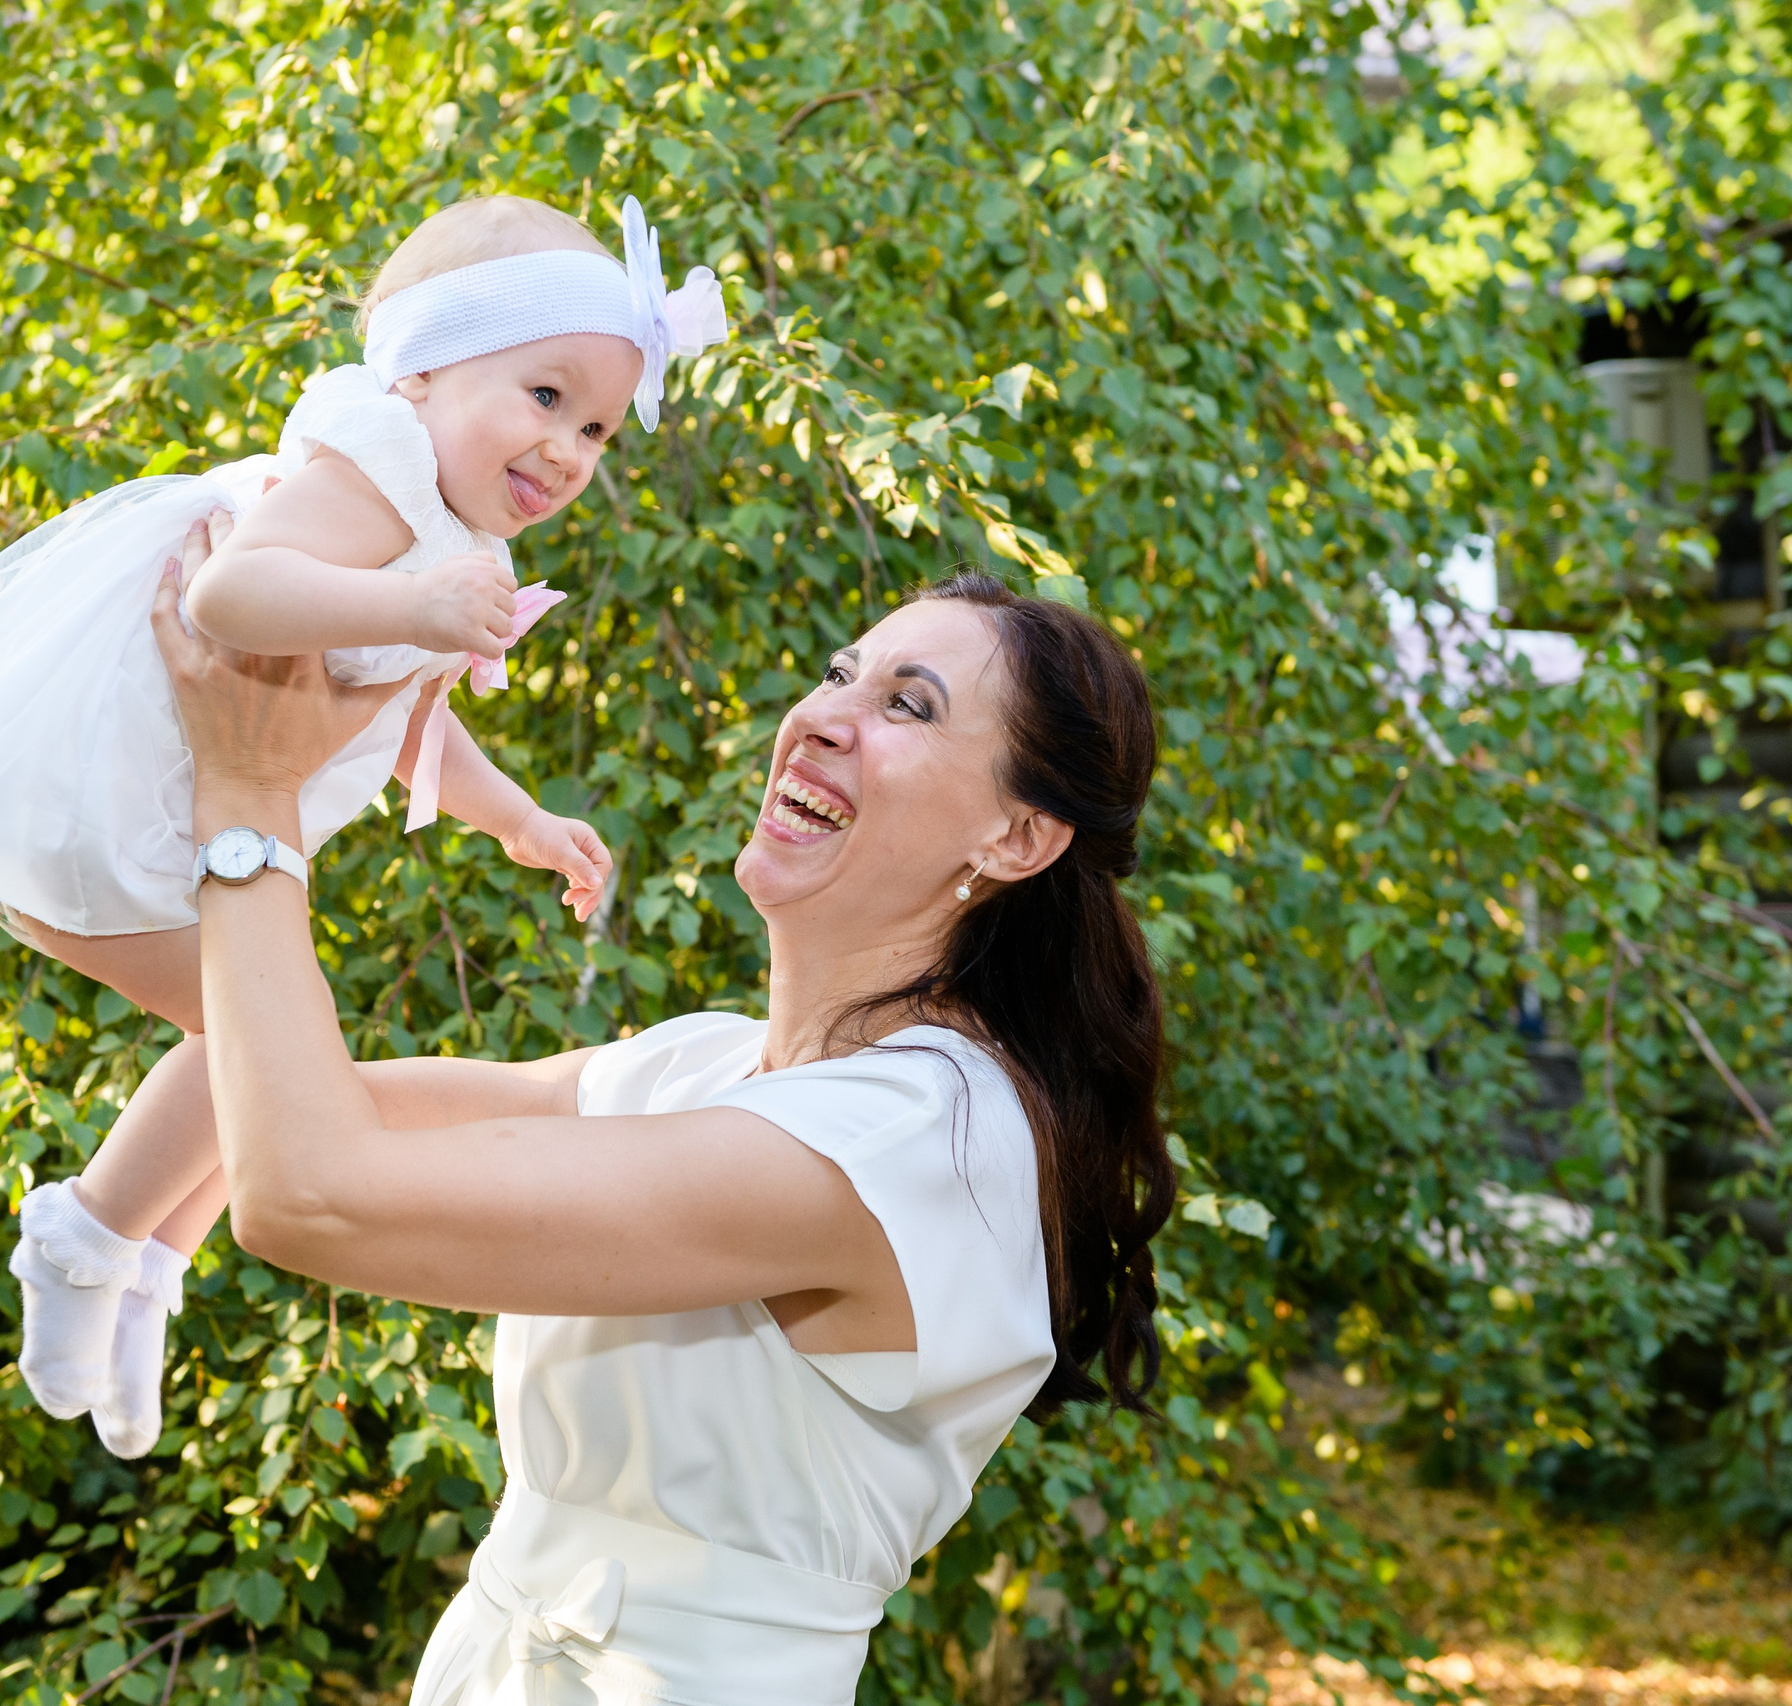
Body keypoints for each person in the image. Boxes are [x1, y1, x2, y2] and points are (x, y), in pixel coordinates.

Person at [128, 529, 1177, 1705]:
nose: (824, 716)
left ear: (1016, 837)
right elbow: (291, 1096)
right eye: (839, 672)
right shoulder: (699, 1065)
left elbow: (310, 1192)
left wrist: (250, 798)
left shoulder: (915, 1134)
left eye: (908, 704)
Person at [0, 193, 730, 1453]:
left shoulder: (453, 532)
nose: (567, 450)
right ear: (423, 370)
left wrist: (516, 818)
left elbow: (405, 713)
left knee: (271, 1058)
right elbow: (231, 593)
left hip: (191, 818)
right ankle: (86, 1231)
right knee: (265, 1043)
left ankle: (151, 1262)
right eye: (545, 396)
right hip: (107, 805)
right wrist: (419, 607)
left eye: (596, 428)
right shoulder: (376, 466)